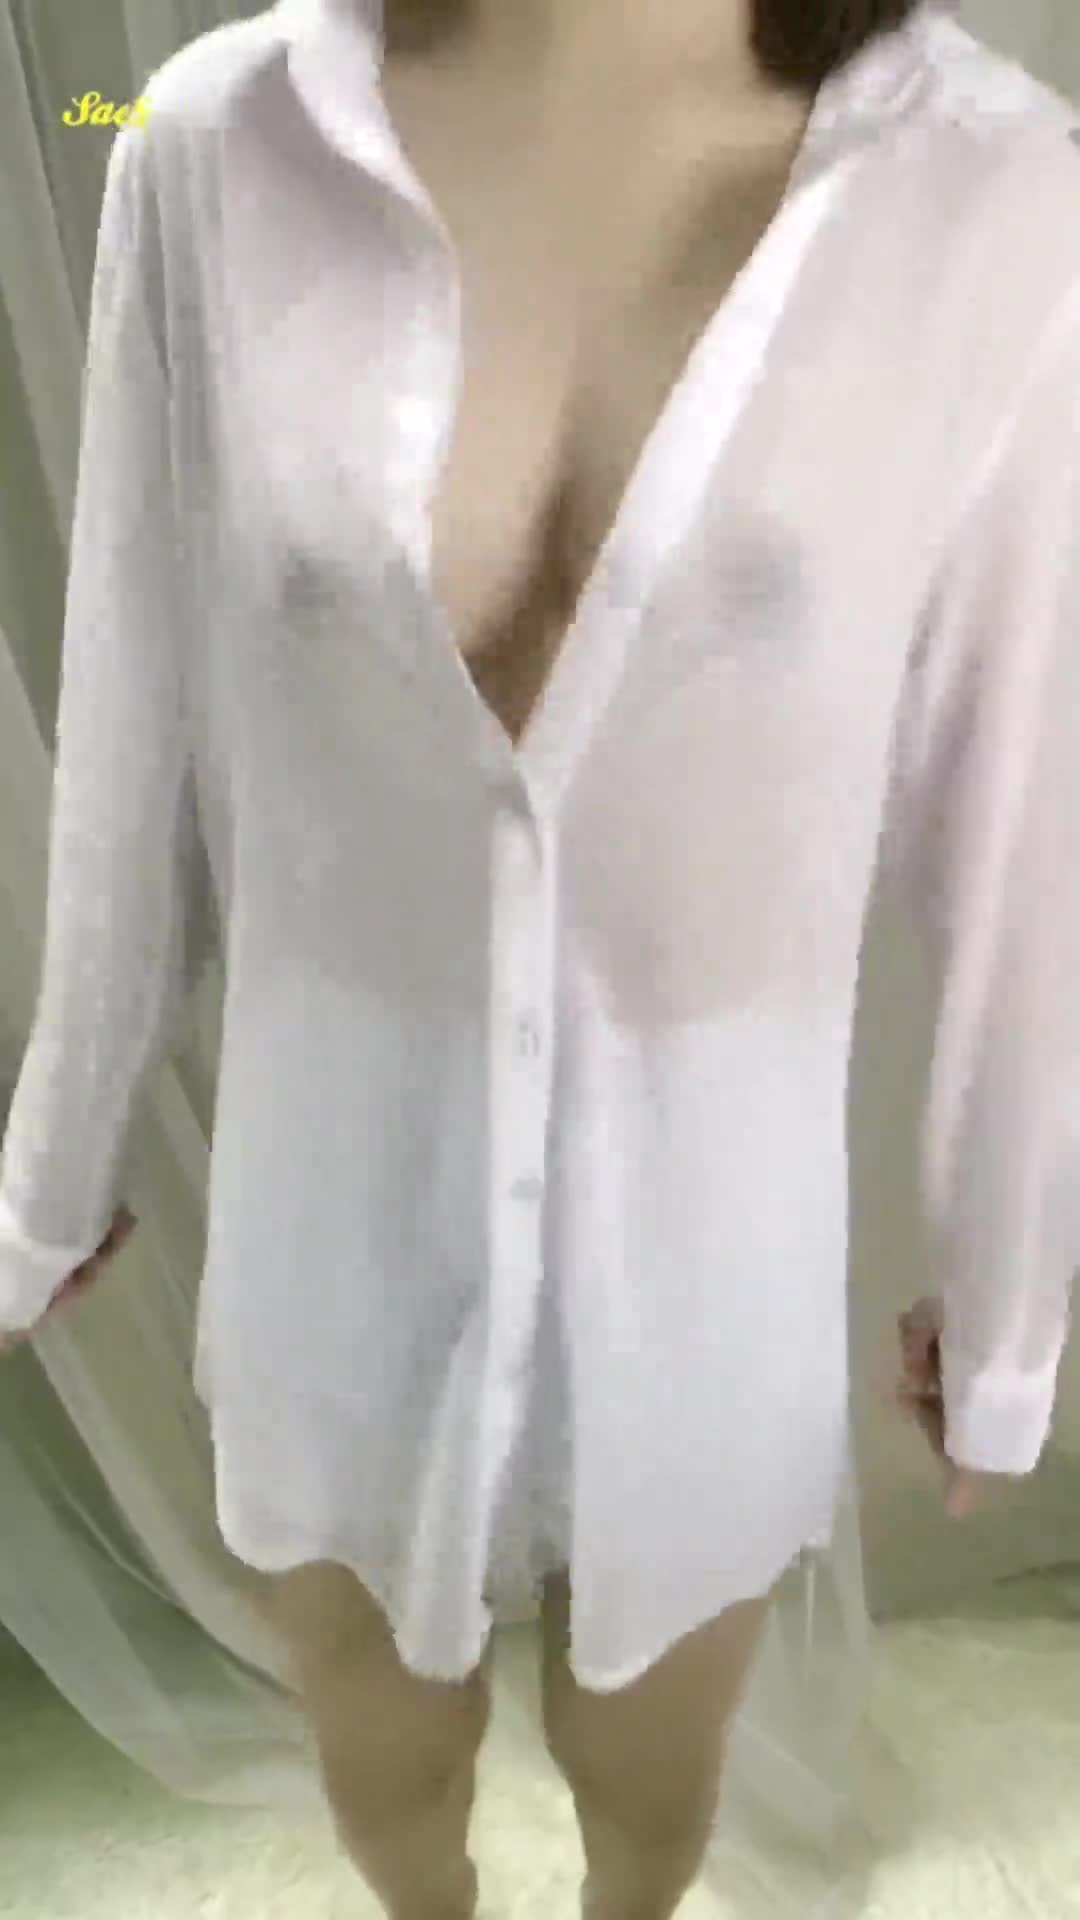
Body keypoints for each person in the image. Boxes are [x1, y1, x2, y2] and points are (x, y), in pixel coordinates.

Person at [2, 0, 1078, 1914]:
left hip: (714, 1249)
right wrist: (53, 1172)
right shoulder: (204, 142)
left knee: (648, 1773)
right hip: (334, 1217)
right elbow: (134, 702)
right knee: (382, 1749)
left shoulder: (995, 194)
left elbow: (1025, 812)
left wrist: (1005, 1305)